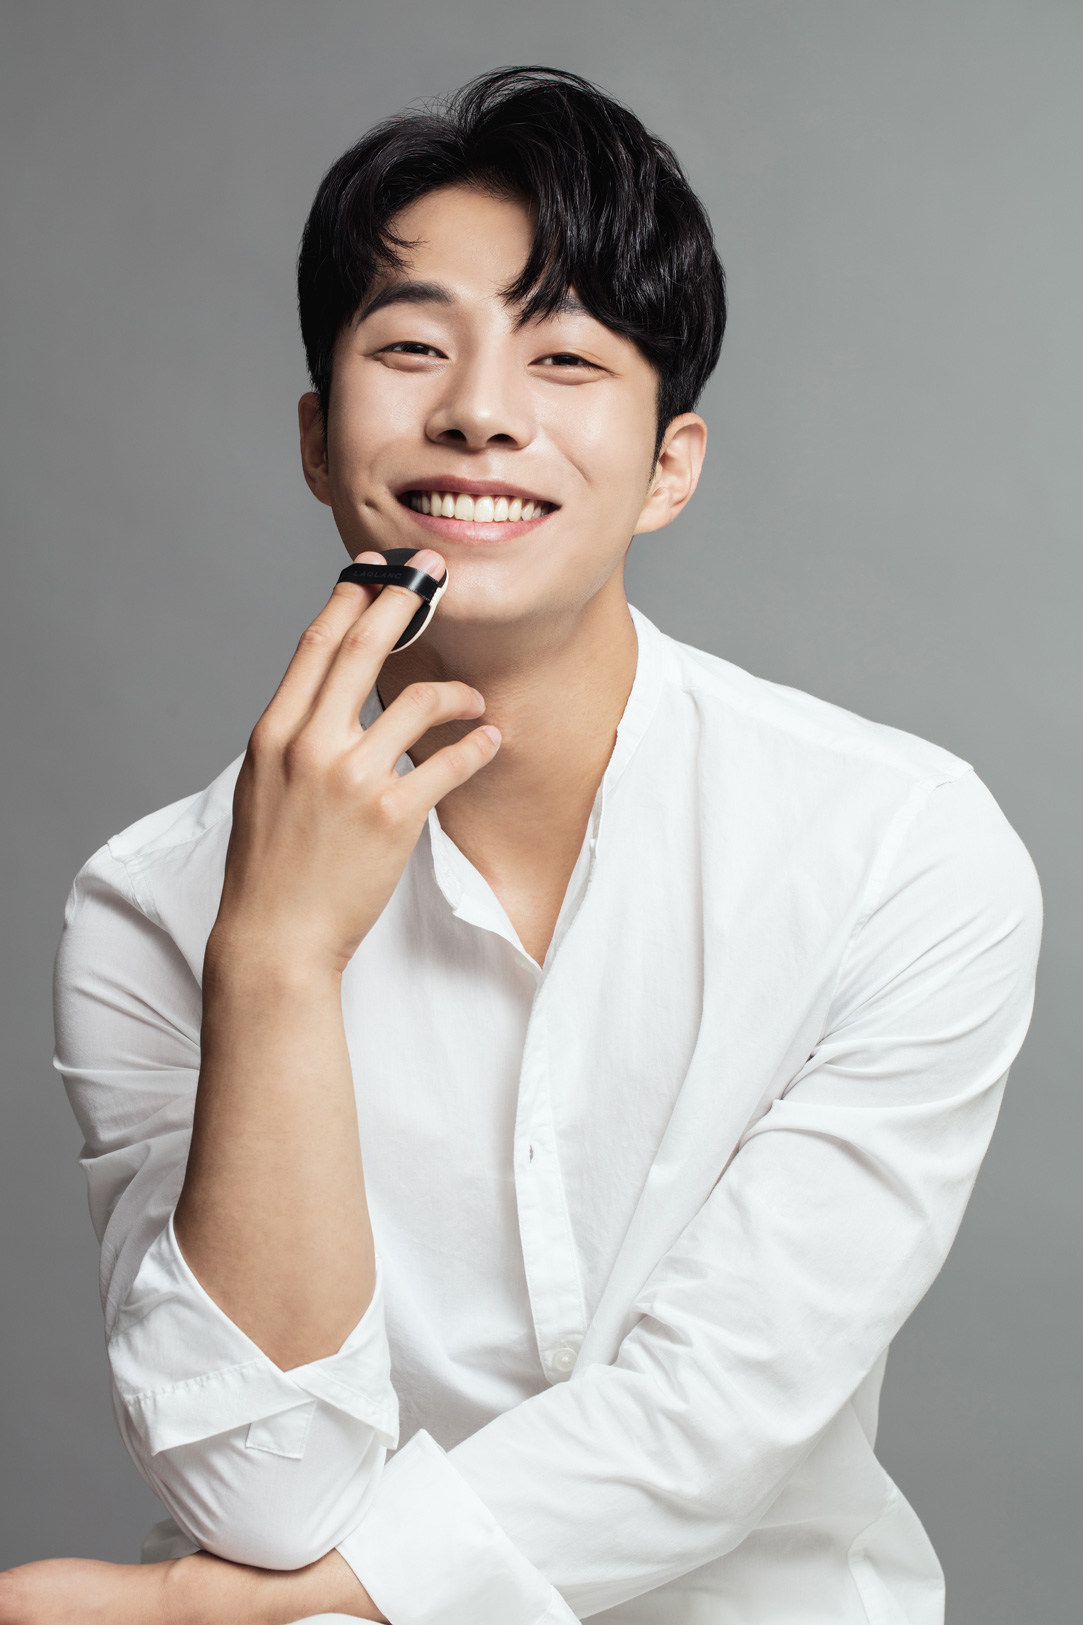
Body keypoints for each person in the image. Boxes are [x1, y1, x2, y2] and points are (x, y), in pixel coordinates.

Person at [1, 66, 1041, 1625]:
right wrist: (273, 958)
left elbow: (716, 1413)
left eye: (564, 358)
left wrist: (203, 1614)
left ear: (670, 465)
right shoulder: (152, 907)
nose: (480, 411)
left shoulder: (898, 849)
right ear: (316, 438)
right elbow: (260, 1488)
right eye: (412, 347)